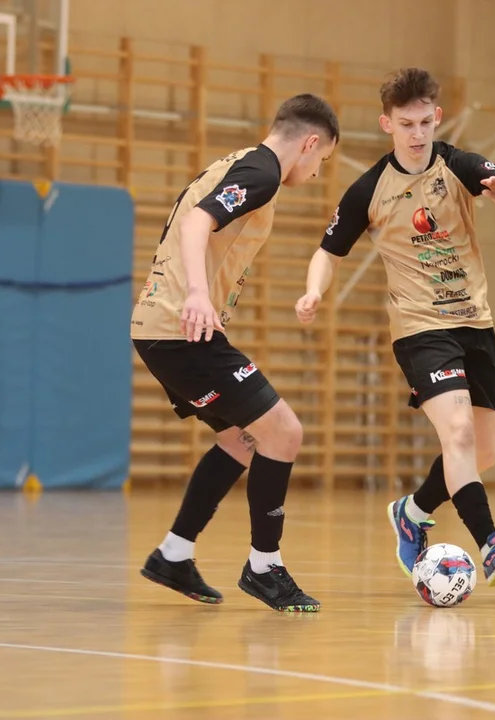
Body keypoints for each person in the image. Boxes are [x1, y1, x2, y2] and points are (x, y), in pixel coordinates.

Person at [295, 68, 495, 588]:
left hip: (476, 322)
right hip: (420, 328)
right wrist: (315, 291)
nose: (418, 133)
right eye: (406, 124)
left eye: (425, 121)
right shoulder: (369, 190)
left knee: (484, 452)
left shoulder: (459, 165)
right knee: (459, 432)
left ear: (437, 117)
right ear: (388, 124)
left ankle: (412, 512)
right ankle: (491, 542)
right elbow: (329, 251)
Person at [132, 94, 340, 612]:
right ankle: (264, 567)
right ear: (310, 144)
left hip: (159, 328)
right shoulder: (263, 173)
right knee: (284, 432)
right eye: (323, 162)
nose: (316, 173)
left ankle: (174, 554)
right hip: (184, 329)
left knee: (242, 442)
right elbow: (197, 223)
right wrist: (199, 295)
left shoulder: (239, 162)